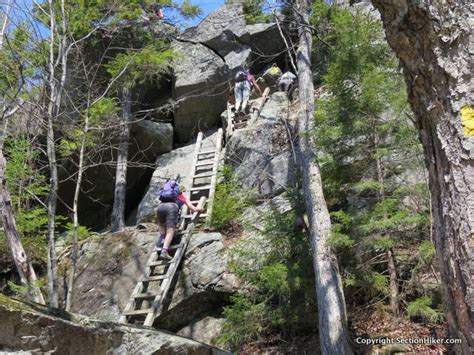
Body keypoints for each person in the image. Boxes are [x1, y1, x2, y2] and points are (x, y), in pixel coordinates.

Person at [155, 179, 203, 260]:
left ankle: (163, 239)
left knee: (161, 224)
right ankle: (164, 251)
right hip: (171, 207)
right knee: (170, 230)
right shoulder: (180, 195)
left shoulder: (164, 195)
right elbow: (193, 208)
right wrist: (199, 209)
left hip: (160, 207)